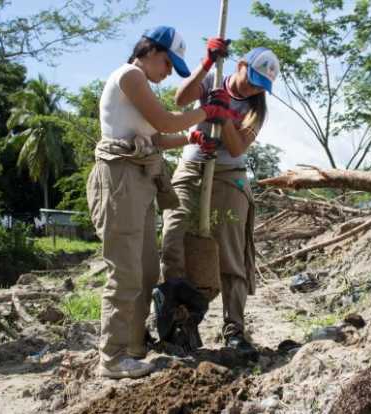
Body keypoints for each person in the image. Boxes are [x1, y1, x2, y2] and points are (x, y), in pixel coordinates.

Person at [86, 26, 240, 379]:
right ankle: (111, 358)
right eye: (169, 64)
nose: (168, 72)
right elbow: (166, 119)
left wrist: (192, 136)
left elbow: (157, 136)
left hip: (140, 179)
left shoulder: (141, 89)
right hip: (120, 178)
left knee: (144, 272)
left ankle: (134, 348)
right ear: (151, 51)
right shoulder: (130, 75)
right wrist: (207, 112)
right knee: (124, 272)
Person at [161, 40, 280, 359]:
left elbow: (238, 147)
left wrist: (223, 113)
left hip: (229, 174)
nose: (255, 90)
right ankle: (179, 321)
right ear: (241, 65)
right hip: (192, 166)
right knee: (173, 238)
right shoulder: (216, 76)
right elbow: (181, 98)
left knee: (231, 251)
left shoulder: (257, 108)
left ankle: (234, 329)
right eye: (252, 80)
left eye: (262, 87)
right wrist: (207, 63)